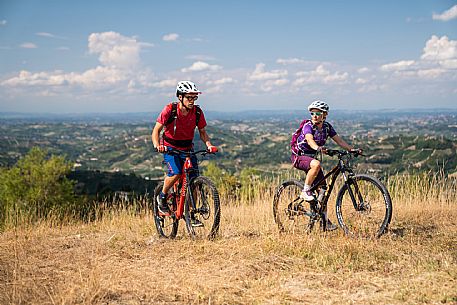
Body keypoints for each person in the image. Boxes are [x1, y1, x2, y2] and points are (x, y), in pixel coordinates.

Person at [291, 100, 361, 231]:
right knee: (316, 164)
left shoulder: (327, 127)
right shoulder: (308, 126)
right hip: (300, 156)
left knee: (323, 189)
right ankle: (305, 191)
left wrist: (351, 149)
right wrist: (318, 148)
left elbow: (339, 140)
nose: (315, 116)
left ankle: (324, 221)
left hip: (312, 158)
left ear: (325, 115)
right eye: (312, 113)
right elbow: (309, 139)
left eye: (318, 113)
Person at [152, 80, 218, 219]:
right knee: (175, 172)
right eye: (189, 97)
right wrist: (158, 145)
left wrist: (209, 145)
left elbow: (202, 132)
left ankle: (190, 213)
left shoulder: (197, 112)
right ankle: (162, 197)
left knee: (193, 180)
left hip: (187, 148)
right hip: (170, 147)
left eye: (194, 97)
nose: (192, 100)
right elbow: (156, 130)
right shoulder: (170, 110)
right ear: (180, 97)